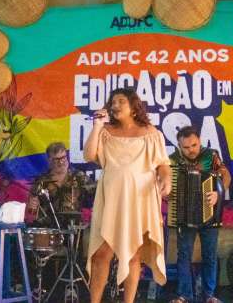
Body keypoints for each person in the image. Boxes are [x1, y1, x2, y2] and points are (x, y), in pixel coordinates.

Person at [83, 87, 171, 303]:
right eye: (112, 102)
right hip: (111, 200)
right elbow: (89, 155)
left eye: (121, 101)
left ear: (133, 107)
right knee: (101, 254)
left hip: (139, 200)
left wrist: (166, 179)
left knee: (133, 255)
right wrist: (97, 126)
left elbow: (163, 164)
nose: (115, 105)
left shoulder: (151, 133)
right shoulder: (105, 132)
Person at [169, 126, 231, 303]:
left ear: (199, 141)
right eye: (186, 147)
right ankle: (184, 295)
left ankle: (209, 295)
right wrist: (168, 193)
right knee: (184, 255)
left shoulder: (211, 155)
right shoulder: (173, 160)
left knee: (210, 255)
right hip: (184, 215)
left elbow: (226, 175)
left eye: (194, 145)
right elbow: (166, 185)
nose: (191, 150)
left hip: (209, 213)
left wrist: (219, 192)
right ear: (179, 146)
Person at [27, 142, 91, 227]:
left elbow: (96, 195)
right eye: (56, 159)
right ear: (49, 160)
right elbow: (31, 212)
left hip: (73, 228)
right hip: (48, 229)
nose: (61, 162)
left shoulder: (80, 177)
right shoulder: (40, 181)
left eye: (63, 157)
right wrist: (32, 206)